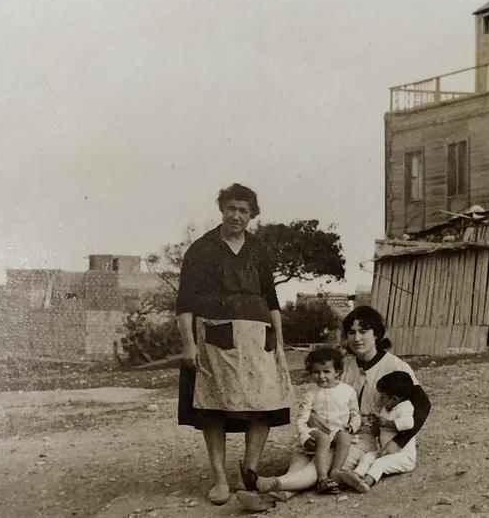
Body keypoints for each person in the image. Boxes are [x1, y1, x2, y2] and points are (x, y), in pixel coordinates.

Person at [241, 306, 430, 511]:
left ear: (377, 334)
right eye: (351, 332)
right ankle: (272, 494)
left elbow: (423, 405)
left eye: (363, 331)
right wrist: (312, 416)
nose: (357, 338)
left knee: (322, 464)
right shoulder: (344, 365)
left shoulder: (395, 366)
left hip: (365, 435)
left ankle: (270, 487)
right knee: (301, 455)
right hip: (331, 428)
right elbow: (323, 394)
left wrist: (398, 442)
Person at [175, 183, 292, 506]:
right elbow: (184, 302)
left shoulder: (259, 250)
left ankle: (250, 470)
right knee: (214, 406)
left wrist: (279, 341)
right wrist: (188, 344)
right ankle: (220, 479)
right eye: (231, 208)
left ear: (252, 215)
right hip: (215, 338)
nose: (236, 216)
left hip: (259, 338)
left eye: (243, 210)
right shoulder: (201, 249)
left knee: (264, 403)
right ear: (221, 209)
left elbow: (271, 298)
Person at [333, 370, 417, 493]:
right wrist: (376, 426)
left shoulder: (405, 407)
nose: (380, 399)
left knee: (380, 464)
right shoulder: (386, 408)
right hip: (385, 451)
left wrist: (387, 423)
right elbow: (382, 431)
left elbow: (408, 423)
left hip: (403, 456)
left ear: (395, 398)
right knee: (367, 457)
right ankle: (355, 476)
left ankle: (366, 482)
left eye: (383, 397)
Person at [294, 347, 360, 494]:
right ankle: (322, 478)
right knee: (323, 439)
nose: (321, 376)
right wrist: (304, 437)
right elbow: (301, 419)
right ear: (311, 372)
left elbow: (356, 414)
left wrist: (352, 426)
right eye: (316, 372)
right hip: (317, 433)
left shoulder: (348, 391)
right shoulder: (310, 393)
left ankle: (336, 471)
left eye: (326, 371)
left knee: (345, 436)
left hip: (337, 432)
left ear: (337, 372)